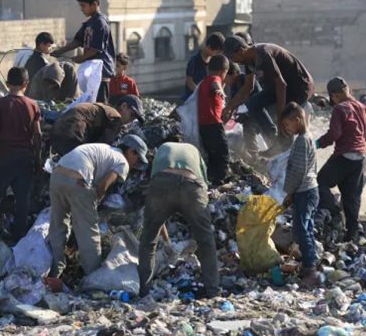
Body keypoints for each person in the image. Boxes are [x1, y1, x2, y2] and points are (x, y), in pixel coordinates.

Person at [48, 135, 148, 277]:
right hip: (78, 180)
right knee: (88, 231)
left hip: (57, 176)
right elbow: (104, 184)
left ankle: (55, 271)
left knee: (58, 225)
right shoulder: (122, 162)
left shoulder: (106, 149)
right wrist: (95, 201)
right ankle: (94, 275)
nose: (136, 165)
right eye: (138, 159)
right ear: (131, 151)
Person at [138, 142, 218, 298]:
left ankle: (144, 289)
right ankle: (213, 290)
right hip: (191, 185)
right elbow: (204, 182)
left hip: (162, 184)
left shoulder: (163, 149)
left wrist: (164, 236)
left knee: (149, 239)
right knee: (205, 240)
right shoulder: (194, 151)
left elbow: (154, 179)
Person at [223, 36, 315, 156]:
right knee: (252, 105)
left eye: (233, 58)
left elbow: (281, 85)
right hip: (277, 88)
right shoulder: (248, 60)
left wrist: (281, 118)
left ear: (240, 51)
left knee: (286, 121)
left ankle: (285, 152)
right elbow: (248, 87)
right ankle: (274, 145)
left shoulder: (262, 55)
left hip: (299, 87)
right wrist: (229, 108)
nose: (235, 62)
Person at [0, 67, 42, 241]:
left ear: (7, 84)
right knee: (22, 202)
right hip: (25, 159)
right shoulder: (33, 105)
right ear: (26, 84)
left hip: (4, 158)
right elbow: (37, 134)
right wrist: (38, 158)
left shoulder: (0, 104)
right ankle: (18, 240)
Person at [315, 77, 366, 242]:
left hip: (344, 156)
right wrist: (365, 146)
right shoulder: (362, 107)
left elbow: (334, 134)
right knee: (351, 197)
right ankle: (352, 235)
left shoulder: (339, 109)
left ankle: (333, 211)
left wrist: (316, 143)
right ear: (348, 90)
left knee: (320, 181)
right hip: (359, 159)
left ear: (335, 95)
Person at [279, 103, 320, 287]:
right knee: (306, 228)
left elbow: (298, 170)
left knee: (301, 230)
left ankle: (311, 270)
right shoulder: (307, 138)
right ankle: (309, 265)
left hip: (304, 191)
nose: (287, 129)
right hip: (309, 190)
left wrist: (289, 192)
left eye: (287, 124)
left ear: (297, 119)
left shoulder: (302, 140)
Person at [51, 0, 115, 103]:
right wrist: (60, 51)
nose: (81, 9)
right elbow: (77, 42)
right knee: (90, 104)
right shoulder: (89, 23)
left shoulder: (100, 23)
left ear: (94, 4)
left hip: (101, 73)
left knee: (100, 106)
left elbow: (95, 49)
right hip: (91, 72)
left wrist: (81, 58)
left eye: (83, 6)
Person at [50, 97, 143, 155]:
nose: (131, 120)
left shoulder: (103, 108)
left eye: (134, 118)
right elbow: (102, 148)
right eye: (132, 115)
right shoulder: (116, 118)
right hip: (72, 134)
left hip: (56, 131)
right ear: (123, 106)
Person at [198, 55, 230, 185]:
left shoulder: (203, 82)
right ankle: (220, 179)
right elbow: (215, 83)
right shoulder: (214, 79)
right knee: (223, 152)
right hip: (214, 124)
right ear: (223, 71)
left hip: (203, 125)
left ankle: (211, 177)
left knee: (211, 153)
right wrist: (220, 90)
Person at [183, 32, 225, 101]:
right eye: (217, 52)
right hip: (193, 99)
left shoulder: (214, 60)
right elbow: (189, 81)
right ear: (209, 47)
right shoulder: (194, 60)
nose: (217, 55)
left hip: (207, 98)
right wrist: (201, 92)